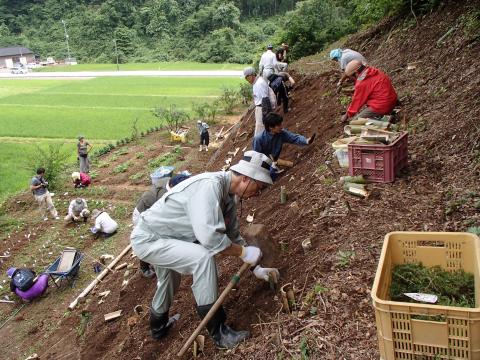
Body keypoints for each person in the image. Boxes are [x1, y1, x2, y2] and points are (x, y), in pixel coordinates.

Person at [130, 150, 280, 349]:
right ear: (245, 178)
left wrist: (256, 268)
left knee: (169, 279)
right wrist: (244, 253)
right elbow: (210, 239)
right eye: (258, 186)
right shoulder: (209, 187)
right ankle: (219, 333)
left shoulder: (228, 197)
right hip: (148, 238)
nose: (258, 193)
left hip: (166, 237)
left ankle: (158, 327)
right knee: (202, 258)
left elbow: (233, 236)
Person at [132, 174, 191, 278]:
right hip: (141, 215)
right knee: (150, 239)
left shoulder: (171, 182)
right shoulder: (164, 197)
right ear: (173, 187)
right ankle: (145, 267)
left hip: (151, 211)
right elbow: (167, 217)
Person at [253, 113, 316, 177]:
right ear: (271, 127)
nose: (281, 127)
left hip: (273, 161)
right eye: (279, 125)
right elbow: (257, 157)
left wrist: (306, 141)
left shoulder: (281, 133)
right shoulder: (259, 139)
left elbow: (294, 138)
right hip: (263, 165)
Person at [243, 67, 276, 135]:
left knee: (259, 132)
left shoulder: (259, 83)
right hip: (260, 108)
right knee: (261, 131)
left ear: (251, 75)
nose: (246, 80)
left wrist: (265, 116)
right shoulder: (256, 83)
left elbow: (265, 99)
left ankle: (259, 145)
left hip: (262, 109)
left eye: (247, 78)